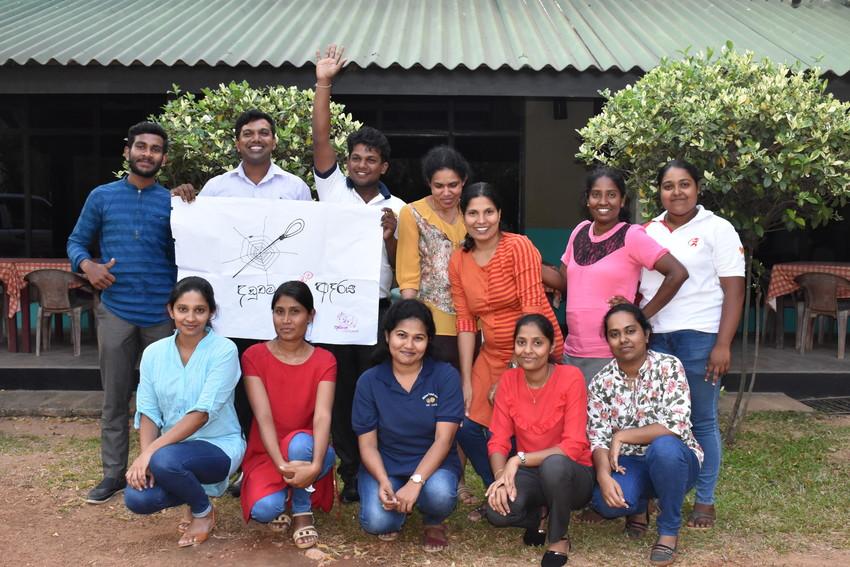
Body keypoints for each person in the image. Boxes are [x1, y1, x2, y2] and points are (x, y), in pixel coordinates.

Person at [312, 43, 406, 503]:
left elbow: (402, 264)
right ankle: (349, 471)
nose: (361, 165)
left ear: (383, 167)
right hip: (331, 311)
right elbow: (320, 138)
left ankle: (376, 465)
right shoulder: (330, 190)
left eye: (371, 160)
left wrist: (391, 234)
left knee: (374, 392)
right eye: (356, 157)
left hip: (377, 312)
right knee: (341, 390)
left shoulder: (400, 208)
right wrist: (324, 82)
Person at [67, 121, 178, 504]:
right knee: (115, 398)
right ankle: (112, 474)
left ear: (164, 158)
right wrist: (88, 266)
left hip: (163, 316)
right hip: (116, 312)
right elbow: (76, 241)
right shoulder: (101, 197)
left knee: (167, 400)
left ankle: (163, 470)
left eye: (156, 149)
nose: (148, 154)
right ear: (127, 151)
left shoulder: (173, 202)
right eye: (141, 147)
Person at [639, 160, 745, 530]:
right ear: (659, 191)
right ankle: (653, 494)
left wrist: (723, 343)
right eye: (668, 186)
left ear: (698, 188)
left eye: (685, 184)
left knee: (700, 420)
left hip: (701, 338)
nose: (677, 192)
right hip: (655, 338)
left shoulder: (718, 228)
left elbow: (734, 290)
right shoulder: (647, 230)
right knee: (656, 422)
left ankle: (705, 500)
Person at [448, 182, 564, 519]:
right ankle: (500, 489)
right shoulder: (459, 260)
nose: (481, 220)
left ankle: (535, 494)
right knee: (466, 422)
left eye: (488, 212)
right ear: (463, 216)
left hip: (534, 351)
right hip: (492, 353)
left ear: (500, 214)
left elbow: (531, 309)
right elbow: (466, 321)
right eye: (473, 213)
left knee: (526, 424)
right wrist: (467, 378)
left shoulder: (519, 247)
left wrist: (515, 371)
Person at [123, 277, 245, 548]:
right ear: (170, 310)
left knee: (166, 460)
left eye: (199, 310)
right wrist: (147, 457)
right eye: (183, 309)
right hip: (169, 451)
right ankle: (190, 492)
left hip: (218, 446)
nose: (190, 317)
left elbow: (202, 413)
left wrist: (152, 454)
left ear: (211, 312)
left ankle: (203, 512)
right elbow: (148, 411)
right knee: (137, 498)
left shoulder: (224, 351)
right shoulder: (154, 353)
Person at [586, 304, 702, 567]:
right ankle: (639, 507)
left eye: (630, 331)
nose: (623, 339)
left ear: (646, 334)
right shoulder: (601, 382)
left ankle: (668, 530)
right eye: (614, 334)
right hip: (630, 465)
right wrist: (604, 476)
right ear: (607, 340)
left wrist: (623, 436)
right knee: (606, 504)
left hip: (676, 461)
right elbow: (599, 437)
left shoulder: (669, 366)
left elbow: (676, 424)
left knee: (664, 448)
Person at [554, 167, 688, 383]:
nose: (603, 201)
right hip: (572, 352)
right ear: (587, 200)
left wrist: (641, 315)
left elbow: (677, 273)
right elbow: (563, 283)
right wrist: (526, 261)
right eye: (596, 194)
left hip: (611, 353)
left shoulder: (631, 235)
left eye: (612, 195)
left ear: (623, 200)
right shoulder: (579, 231)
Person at [352, 299, 464, 552]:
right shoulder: (369, 381)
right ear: (387, 335)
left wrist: (416, 481)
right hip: (386, 465)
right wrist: (382, 480)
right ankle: (399, 507)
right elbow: (367, 444)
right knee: (377, 522)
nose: (409, 345)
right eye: (401, 335)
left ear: (429, 341)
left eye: (418, 338)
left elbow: (444, 440)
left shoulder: (445, 376)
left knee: (440, 495)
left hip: (433, 467)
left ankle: (433, 519)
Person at [485, 315, 593, 567]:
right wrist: (502, 476)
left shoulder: (571, 377)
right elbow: (498, 439)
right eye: (521, 342)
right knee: (497, 512)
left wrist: (519, 458)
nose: (528, 350)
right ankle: (540, 514)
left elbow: (573, 445)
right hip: (531, 474)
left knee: (554, 464)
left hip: (572, 473)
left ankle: (558, 538)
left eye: (537, 343)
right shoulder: (509, 381)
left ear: (551, 346)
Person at [240, 281, 337, 549]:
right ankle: (288, 493)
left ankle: (302, 512)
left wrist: (317, 465)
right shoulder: (254, 356)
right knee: (264, 510)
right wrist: (281, 465)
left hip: (309, 450)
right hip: (268, 454)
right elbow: (263, 417)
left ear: (310, 316)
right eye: (279, 311)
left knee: (299, 444)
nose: (285, 320)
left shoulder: (325, 360)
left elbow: (322, 417)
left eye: (295, 312)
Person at [396, 145, 470, 367]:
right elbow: (408, 272)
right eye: (439, 186)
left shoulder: (474, 212)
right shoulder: (412, 213)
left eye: (453, 185)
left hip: (473, 320)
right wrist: (409, 320)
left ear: (464, 181)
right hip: (431, 318)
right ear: (428, 183)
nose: (446, 193)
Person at [171, 108, 312, 201]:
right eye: (247, 134)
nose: (256, 139)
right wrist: (179, 199)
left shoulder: (297, 188)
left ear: (274, 142)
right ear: (237, 144)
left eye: (263, 133)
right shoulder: (215, 188)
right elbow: (197, 227)